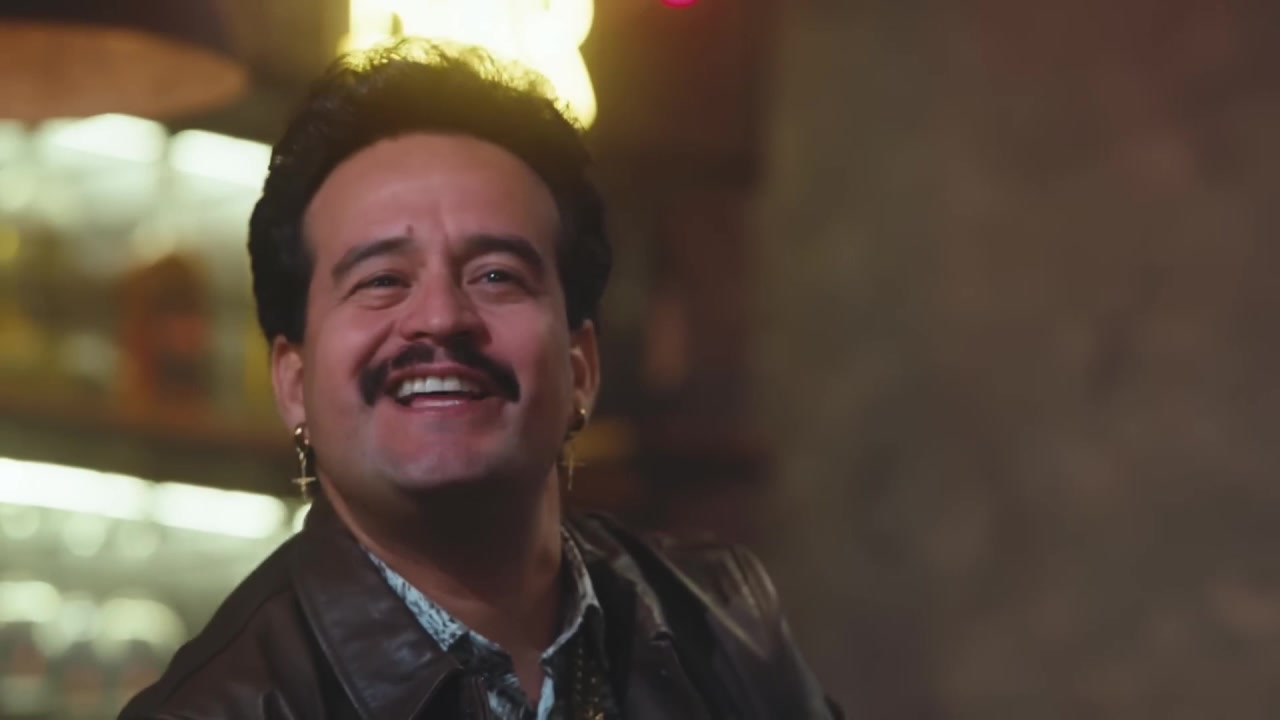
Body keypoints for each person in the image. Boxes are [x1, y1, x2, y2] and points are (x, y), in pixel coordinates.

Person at [120, 39, 839, 720]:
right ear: (292, 382)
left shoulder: (720, 622)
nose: (441, 318)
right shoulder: (220, 708)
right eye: (382, 280)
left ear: (580, 368)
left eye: (496, 275)